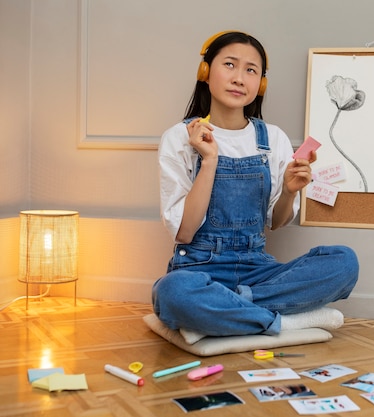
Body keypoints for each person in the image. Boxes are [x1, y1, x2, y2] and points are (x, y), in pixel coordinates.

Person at [152, 31, 359, 338]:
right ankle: (282, 322)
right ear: (206, 72)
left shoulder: (272, 139)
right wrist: (208, 161)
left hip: (258, 269)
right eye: (230, 65)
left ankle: (227, 311)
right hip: (199, 269)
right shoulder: (180, 138)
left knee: (344, 263)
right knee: (173, 292)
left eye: (251, 70)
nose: (239, 78)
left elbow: (275, 223)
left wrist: (289, 191)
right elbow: (185, 232)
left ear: (260, 84)